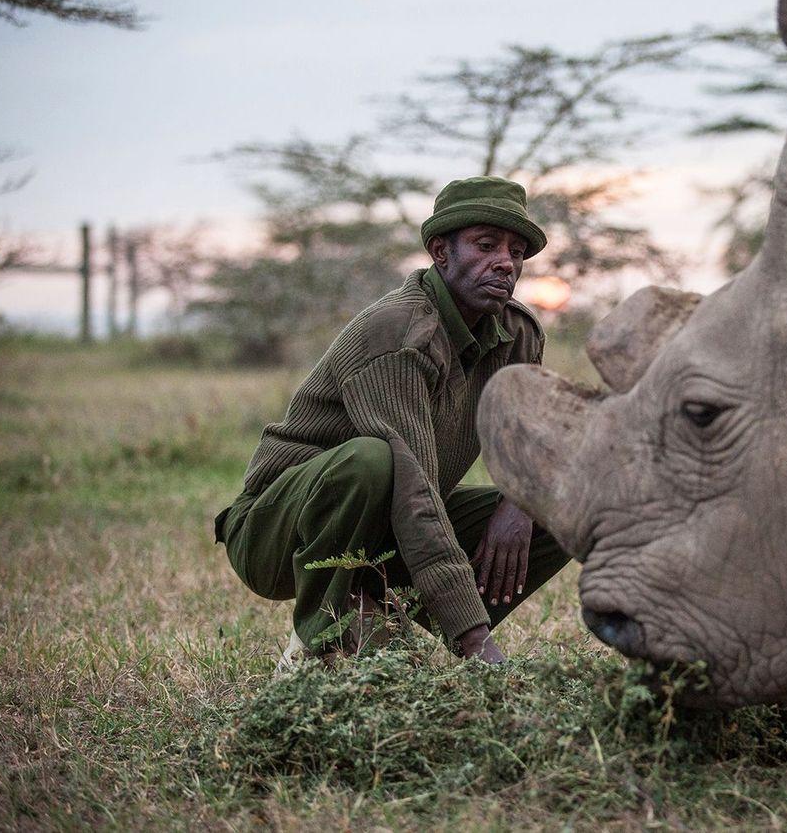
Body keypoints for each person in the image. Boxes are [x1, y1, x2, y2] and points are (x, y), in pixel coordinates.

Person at [212, 176, 571, 665]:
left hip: (386, 532)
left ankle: (379, 614)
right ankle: (326, 640)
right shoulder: (399, 333)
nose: (505, 262)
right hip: (279, 532)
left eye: (516, 251)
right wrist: (476, 640)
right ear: (441, 252)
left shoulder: (519, 334)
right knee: (374, 460)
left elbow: (531, 440)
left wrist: (521, 504)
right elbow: (412, 484)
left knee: (562, 506)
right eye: (486, 246)